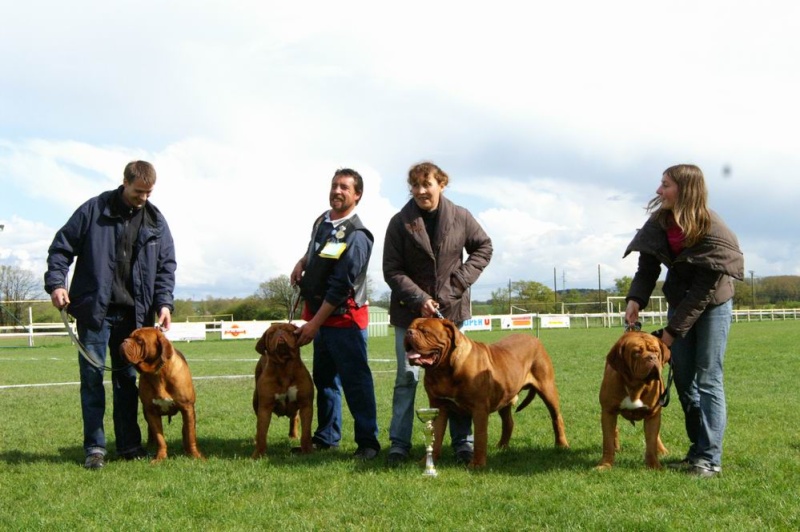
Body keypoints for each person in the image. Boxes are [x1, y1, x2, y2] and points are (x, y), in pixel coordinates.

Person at [44, 160, 177, 470]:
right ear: (125, 183)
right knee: (91, 380)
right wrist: (56, 284)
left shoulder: (156, 221)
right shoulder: (93, 210)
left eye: (149, 192)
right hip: (94, 312)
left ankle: (129, 445)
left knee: (127, 381)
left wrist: (165, 304)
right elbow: (61, 249)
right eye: (138, 191)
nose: (144, 198)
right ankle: (95, 448)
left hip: (135, 318)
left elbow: (166, 268)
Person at [623, 163, 743, 478]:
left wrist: (671, 334)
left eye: (665, 184)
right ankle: (696, 452)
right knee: (685, 381)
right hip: (679, 301)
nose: (659, 190)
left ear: (685, 190)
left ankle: (709, 459)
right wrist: (636, 299)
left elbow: (703, 293)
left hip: (712, 305)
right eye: (660, 183)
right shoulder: (660, 222)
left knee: (708, 379)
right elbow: (647, 268)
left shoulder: (713, 230)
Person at [383, 161, 493, 466]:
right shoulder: (398, 222)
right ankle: (399, 445)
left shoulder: (461, 216)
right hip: (410, 316)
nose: (420, 191)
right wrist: (420, 298)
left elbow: (484, 247)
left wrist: (455, 285)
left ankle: (463, 444)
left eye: (426, 184)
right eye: (415, 186)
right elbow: (391, 270)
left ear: (441, 184)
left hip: (450, 314)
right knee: (407, 378)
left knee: (459, 379)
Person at [291, 168, 381, 460]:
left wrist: (314, 324)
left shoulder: (358, 235)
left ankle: (368, 443)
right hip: (320, 317)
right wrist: (302, 262)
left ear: (357, 195)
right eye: (334, 185)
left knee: (356, 382)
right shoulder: (322, 220)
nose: (337, 191)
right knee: (325, 379)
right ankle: (327, 437)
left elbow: (342, 286)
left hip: (344, 320)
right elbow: (316, 250)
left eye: (344, 187)